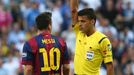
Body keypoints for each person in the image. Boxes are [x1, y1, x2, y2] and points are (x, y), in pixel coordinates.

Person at [70, 0, 114, 75]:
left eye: (83, 21)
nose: (80, 24)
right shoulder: (79, 32)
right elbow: (74, 10)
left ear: (92, 22)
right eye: (79, 21)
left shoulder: (102, 40)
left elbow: (110, 66)